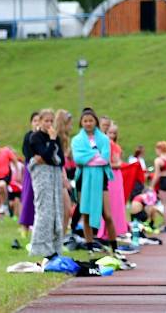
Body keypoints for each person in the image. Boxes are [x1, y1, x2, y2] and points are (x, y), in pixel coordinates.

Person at [71, 107, 118, 255]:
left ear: (95, 122)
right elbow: (78, 158)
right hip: (83, 179)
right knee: (85, 213)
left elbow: (105, 159)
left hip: (101, 179)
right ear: (81, 123)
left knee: (107, 215)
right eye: (85, 121)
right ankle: (90, 246)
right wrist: (95, 155)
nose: (88, 123)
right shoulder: (77, 140)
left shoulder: (104, 139)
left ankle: (114, 247)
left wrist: (88, 158)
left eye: (91, 120)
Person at [28, 108, 65, 259]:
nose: (49, 124)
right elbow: (46, 154)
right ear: (40, 121)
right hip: (42, 177)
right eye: (46, 121)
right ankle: (40, 246)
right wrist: (51, 141)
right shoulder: (35, 137)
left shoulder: (56, 138)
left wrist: (53, 142)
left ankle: (55, 246)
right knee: (44, 210)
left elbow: (60, 159)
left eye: (51, 121)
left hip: (55, 176)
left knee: (57, 210)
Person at [99, 122, 129, 239]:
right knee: (109, 203)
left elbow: (119, 162)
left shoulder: (116, 146)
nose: (111, 135)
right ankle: (106, 231)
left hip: (117, 176)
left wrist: (117, 164)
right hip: (110, 174)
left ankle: (118, 229)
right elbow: (107, 161)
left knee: (117, 202)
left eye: (114, 133)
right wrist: (115, 164)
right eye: (110, 132)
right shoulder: (105, 144)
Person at [19, 111, 40, 234]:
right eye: (35, 121)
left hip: (43, 169)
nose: (37, 123)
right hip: (30, 168)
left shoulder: (44, 137)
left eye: (39, 120)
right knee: (28, 195)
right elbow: (26, 152)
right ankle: (24, 225)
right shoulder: (29, 136)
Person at [54, 109, 75, 235]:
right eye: (69, 123)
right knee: (64, 210)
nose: (71, 127)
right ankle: (58, 240)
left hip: (62, 176)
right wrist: (64, 178)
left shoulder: (65, 139)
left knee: (67, 210)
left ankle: (61, 239)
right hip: (56, 178)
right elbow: (57, 162)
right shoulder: (56, 138)